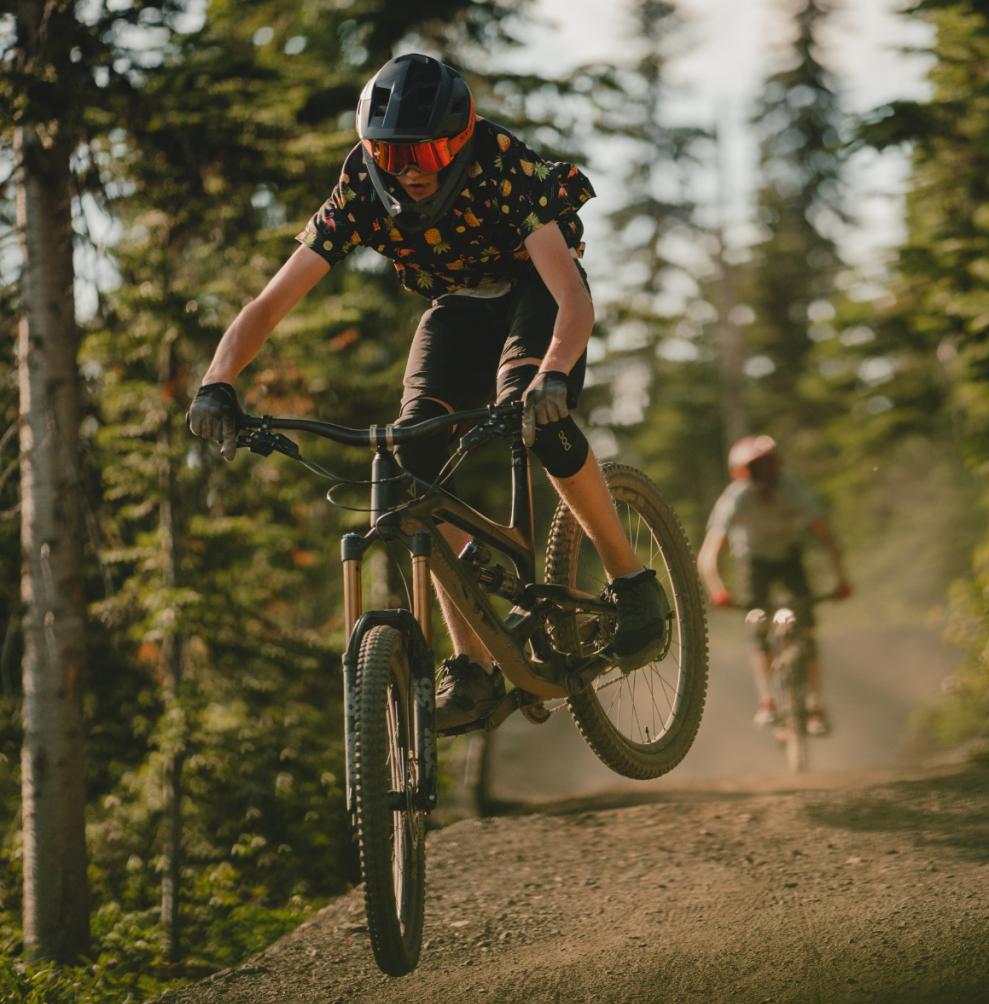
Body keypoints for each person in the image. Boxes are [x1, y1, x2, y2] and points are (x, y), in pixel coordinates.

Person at [185, 53, 668, 731]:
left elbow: (568, 297)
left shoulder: (503, 164)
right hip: (458, 306)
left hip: (535, 295)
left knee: (536, 415)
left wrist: (554, 373)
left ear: (463, 138)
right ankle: (471, 665)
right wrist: (217, 383)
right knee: (412, 464)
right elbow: (269, 303)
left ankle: (631, 582)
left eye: (433, 150)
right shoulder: (360, 187)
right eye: (392, 152)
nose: (412, 169)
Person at [696, 435, 851, 735]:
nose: (766, 475)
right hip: (753, 561)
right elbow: (709, 554)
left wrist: (841, 578)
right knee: (757, 625)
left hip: (789, 555)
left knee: (805, 625)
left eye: (769, 466)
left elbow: (825, 537)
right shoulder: (735, 499)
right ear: (743, 473)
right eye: (758, 468)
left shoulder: (793, 490)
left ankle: (817, 704)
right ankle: (767, 701)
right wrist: (717, 590)